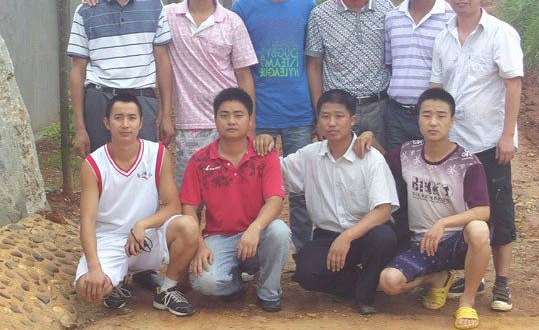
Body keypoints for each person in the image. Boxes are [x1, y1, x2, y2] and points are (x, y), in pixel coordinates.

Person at [253, 89, 399, 315]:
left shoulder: (371, 158)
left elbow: (383, 211)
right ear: (318, 120)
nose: (331, 123)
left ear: (352, 120)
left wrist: (347, 237)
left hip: (366, 234)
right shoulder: (309, 155)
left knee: (384, 237)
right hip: (328, 235)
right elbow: (274, 172)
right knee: (306, 272)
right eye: (325, 116)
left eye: (339, 116)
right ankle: (365, 281)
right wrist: (263, 147)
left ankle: (366, 295)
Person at [356, 88, 491, 329]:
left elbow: (483, 211)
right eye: (426, 115)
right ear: (418, 119)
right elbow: (383, 163)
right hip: (422, 245)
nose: (433, 122)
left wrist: (443, 223)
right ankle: (436, 278)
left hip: (458, 242)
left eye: (441, 116)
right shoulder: (408, 153)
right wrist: (370, 137)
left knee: (479, 229)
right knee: (389, 282)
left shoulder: (467, 163)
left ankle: (467, 301)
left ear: (452, 121)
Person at [431, 0, 523, 311]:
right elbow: (437, 88)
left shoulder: (501, 34)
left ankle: (502, 282)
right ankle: (474, 275)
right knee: (462, 211)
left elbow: (513, 85)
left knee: (498, 210)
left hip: (489, 142)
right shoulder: (443, 37)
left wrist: (507, 135)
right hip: (456, 143)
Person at [75, 94, 198, 316]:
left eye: (131, 118)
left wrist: (142, 224)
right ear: (107, 123)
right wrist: (94, 268)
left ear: (141, 123)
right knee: (89, 289)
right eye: (118, 118)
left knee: (188, 226)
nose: (125, 124)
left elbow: (173, 206)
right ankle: (116, 280)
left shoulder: (157, 154)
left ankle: (167, 290)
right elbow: (87, 221)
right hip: (109, 240)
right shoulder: (93, 164)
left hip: (145, 237)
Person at [232, 0, 316, 257]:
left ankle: (304, 255)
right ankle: (253, 255)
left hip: (299, 113)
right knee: (254, 186)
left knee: (301, 188)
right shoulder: (244, 7)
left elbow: (313, 61)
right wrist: (248, 115)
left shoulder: (307, 6)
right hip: (260, 114)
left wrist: (317, 111)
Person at [180, 88, 291, 312]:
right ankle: (234, 284)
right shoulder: (200, 160)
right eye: (225, 115)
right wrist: (199, 246)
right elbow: (189, 208)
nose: (231, 121)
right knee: (206, 283)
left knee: (279, 231)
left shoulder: (264, 155)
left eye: (238, 115)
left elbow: (275, 201)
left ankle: (268, 291)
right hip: (219, 236)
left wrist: (255, 228)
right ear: (215, 119)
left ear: (250, 120)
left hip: (257, 235)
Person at [68, 0, 174, 158]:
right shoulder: (85, 11)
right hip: (100, 99)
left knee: (144, 166)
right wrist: (80, 128)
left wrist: (166, 115)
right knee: (102, 167)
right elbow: (78, 70)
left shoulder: (153, 5)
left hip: (142, 99)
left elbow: (163, 60)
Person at [164, 0, 257, 190]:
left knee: (230, 192)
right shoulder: (167, 16)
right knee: (190, 195)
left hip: (229, 122)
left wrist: (250, 120)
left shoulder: (232, 22)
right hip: (189, 124)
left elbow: (244, 76)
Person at [306, 0, 394, 151]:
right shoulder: (320, 15)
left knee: (381, 162)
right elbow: (314, 67)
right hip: (338, 112)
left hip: (379, 108)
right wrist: (321, 114)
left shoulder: (387, 10)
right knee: (339, 164)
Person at [384, 0, 455, 151]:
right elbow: (391, 64)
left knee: (432, 167)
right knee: (396, 167)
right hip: (396, 115)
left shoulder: (451, 18)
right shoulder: (392, 17)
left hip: (433, 116)